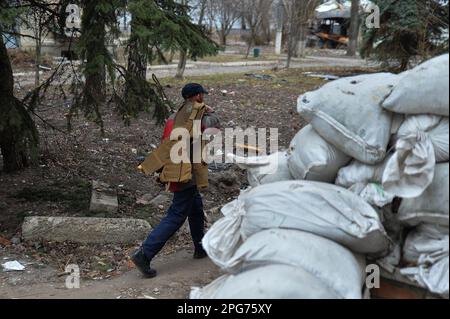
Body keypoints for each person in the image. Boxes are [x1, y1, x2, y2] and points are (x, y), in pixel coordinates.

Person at [131, 83, 220, 278]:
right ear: (197, 96)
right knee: (176, 215)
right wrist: (210, 113)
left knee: (195, 208)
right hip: (185, 171)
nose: (204, 98)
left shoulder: (174, 116)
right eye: (202, 95)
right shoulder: (199, 116)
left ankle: (200, 247)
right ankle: (144, 254)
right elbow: (214, 128)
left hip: (178, 169)